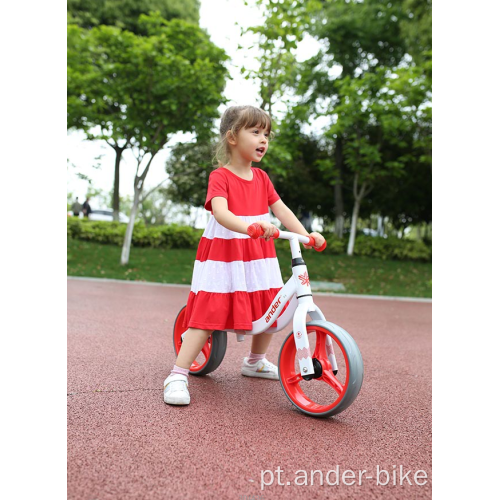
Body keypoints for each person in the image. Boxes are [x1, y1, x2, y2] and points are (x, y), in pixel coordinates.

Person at [163, 105, 326, 406]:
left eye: (267, 134)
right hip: (226, 252)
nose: (263, 139)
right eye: (255, 132)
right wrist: (248, 226)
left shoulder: (262, 178)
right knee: (209, 314)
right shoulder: (220, 176)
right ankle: (177, 374)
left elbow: (282, 210)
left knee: (269, 306)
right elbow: (221, 212)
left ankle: (255, 360)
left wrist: (306, 236)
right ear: (232, 137)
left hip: (256, 253)